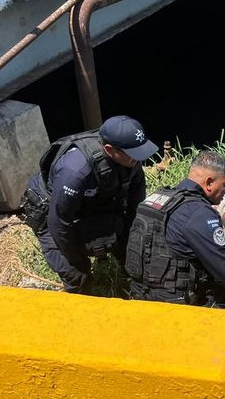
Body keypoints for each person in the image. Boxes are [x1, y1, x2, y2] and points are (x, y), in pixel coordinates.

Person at [22, 115, 157, 294]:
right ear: (110, 150)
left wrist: (131, 244)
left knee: (135, 251)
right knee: (77, 274)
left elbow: (134, 208)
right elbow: (59, 222)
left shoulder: (130, 161)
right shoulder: (75, 171)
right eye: (133, 155)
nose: (138, 161)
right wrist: (78, 260)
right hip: (51, 213)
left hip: (90, 203)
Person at [125, 150, 225, 308]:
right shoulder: (200, 213)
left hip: (140, 294)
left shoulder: (156, 199)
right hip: (179, 304)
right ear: (209, 183)